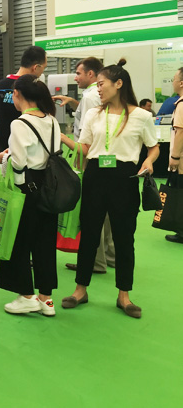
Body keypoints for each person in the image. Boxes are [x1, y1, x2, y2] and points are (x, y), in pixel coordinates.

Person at [60, 59, 159, 318]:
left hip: (125, 179)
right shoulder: (93, 114)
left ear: (119, 84)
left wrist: (149, 161)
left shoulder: (142, 116)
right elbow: (84, 149)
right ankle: (80, 290)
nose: (98, 88)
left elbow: (153, 146)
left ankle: (124, 295)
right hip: (94, 176)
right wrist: (62, 138)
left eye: (102, 84)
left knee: (124, 238)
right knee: (89, 235)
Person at [0, 75, 60, 317]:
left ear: (18, 95)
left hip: (26, 188)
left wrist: (3, 157)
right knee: (45, 243)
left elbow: (19, 162)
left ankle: (26, 295)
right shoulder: (51, 120)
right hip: (49, 186)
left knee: (18, 241)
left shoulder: (20, 123)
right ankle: (46, 298)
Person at [55, 57, 115, 275]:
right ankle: (110, 255)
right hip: (108, 158)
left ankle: (95, 260)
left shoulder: (91, 96)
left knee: (93, 210)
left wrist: (70, 146)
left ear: (91, 74)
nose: (75, 77)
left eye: (79, 73)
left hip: (89, 155)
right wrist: (73, 102)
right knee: (107, 209)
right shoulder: (96, 97)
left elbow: (87, 134)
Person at [0, 46, 47, 152]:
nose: (42, 72)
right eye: (44, 68)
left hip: (3, 146)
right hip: (30, 146)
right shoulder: (35, 88)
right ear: (36, 67)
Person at [164, 67, 183, 244]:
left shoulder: (181, 104)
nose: (173, 82)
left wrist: (175, 157)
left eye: (174, 79)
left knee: (179, 193)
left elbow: (180, 132)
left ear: (181, 83)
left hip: (182, 160)